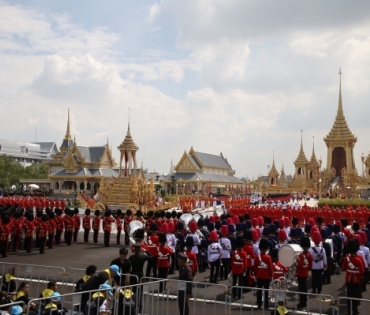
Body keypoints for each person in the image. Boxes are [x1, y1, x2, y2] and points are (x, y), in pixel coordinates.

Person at [342, 239, 365, 315]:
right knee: (355, 295)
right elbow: (362, 271)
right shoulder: (358, 259)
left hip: (348, 278)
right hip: (356, 279)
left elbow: (343, 268)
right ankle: (355, 310)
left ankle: (349, 310)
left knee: (349, 295)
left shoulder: (346, 258)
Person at [254, 238, 273, 309]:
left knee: (259, 291)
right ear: (266, 249)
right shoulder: (268, 257)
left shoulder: (256, 257)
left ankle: (259, 304)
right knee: (266, 291)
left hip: (259, 275)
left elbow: (255, 267)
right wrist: (271, 274)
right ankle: (266, 305)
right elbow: (270, 268)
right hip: (266, 276)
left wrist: (256, 274)